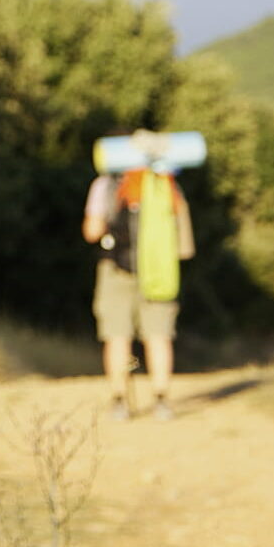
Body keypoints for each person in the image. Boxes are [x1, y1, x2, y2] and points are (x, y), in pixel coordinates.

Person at [82, 166, 194, 420]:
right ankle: (161, 400)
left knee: (118, 335)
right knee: (159, 335)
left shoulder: (107, 184)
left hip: (116, 270)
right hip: (160, 269)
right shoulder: (165, 182)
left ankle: (120, 401)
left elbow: (92, 231)